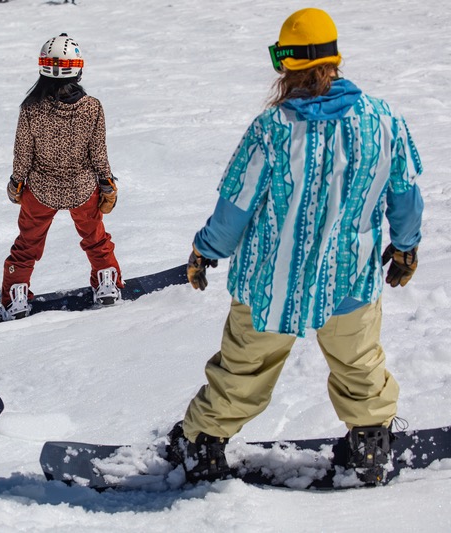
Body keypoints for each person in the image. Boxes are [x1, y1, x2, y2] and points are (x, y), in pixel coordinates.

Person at [167, 8, 423, 486]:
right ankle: (369, 445)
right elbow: (405, 195)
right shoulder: (383, 120)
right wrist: (406, 247)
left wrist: (207, 250)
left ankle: (203, 444)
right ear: (334, 58)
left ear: (287, 65)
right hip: (349, 278)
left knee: (243, 368)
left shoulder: (273, 128)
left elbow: (237, 205)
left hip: (270, 283)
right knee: (359, 365)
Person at [0, 33, 123, 321]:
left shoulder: (31, 108)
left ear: (43, 68)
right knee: (96, 239)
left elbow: (23, 154)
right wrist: (106, 183)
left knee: (27, 245)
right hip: (83, 188)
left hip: (40, 190)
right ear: (77, 68)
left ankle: (15, 297)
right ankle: (106, 283)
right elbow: (98, 152)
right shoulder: (92, 107)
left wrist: (16, 182)